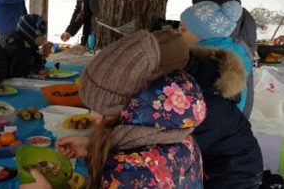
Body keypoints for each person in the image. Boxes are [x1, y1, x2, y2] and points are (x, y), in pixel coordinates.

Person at [22, 30, 205, 188]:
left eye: (102, 109)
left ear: (133, 107)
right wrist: (96, 147)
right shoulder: (177, 133)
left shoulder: (129, 172)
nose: (93, 116)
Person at [153, 30, 263, 189]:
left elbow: (176, 155)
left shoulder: (204, 104)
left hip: (236, 179)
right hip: (221, 168)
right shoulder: (197, 76)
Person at [193, 0, 257, 118]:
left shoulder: (200, 16)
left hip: (208, 106)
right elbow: (250, 53)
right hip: (242, 96)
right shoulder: (245, 16)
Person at [180, 0, 253, 116]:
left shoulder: (209, 62)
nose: (178, 34)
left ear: (203, 34)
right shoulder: (231, 50)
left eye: (183, 29)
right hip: (232, 124)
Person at [4, 14, 52, 78]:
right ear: (32, 35)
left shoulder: (28, 43)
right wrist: (36, 73)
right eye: (42, 36)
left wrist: (44, 55)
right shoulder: (20, 48)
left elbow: (33, 60)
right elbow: (17, 73)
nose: (44, 39)